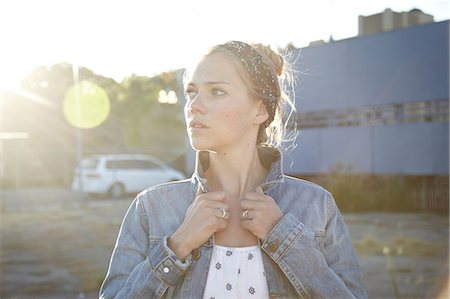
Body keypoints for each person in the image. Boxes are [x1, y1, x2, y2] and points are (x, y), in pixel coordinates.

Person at [99, 40, 367, 298]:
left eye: (217, 91)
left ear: (260, 110)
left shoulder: (317, 206)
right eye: (192, 92)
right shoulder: (151, 208)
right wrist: (177, 246)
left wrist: (283, 237)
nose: (194, 106)